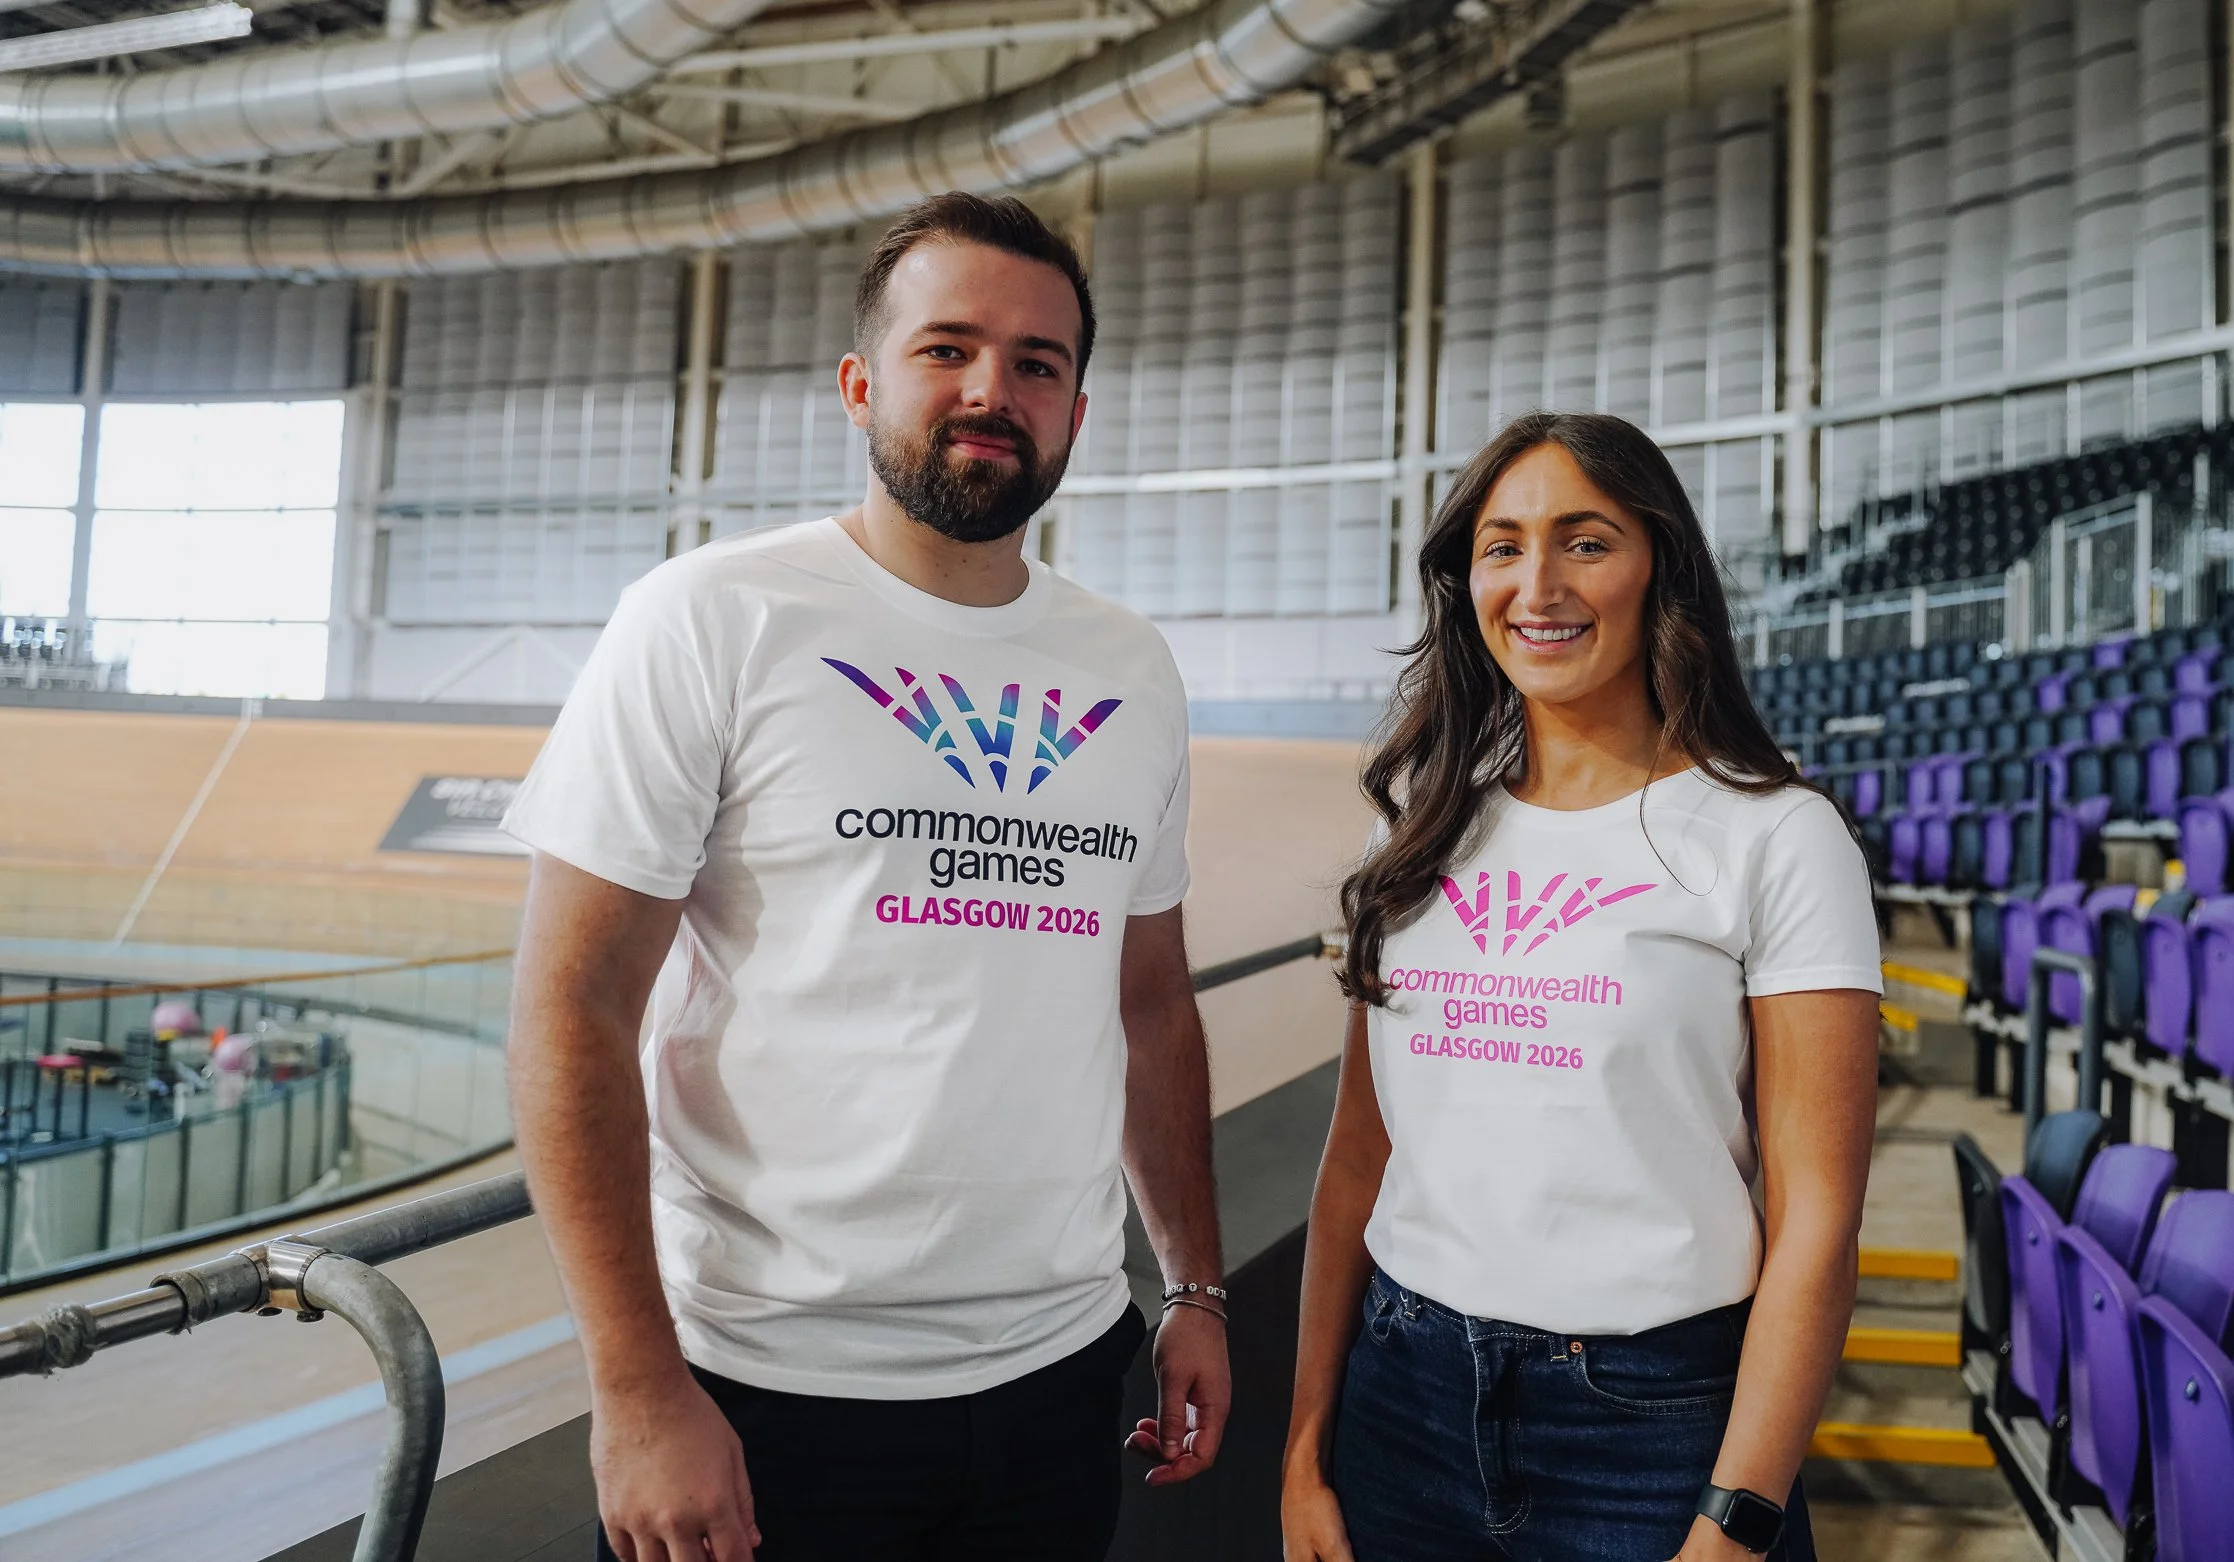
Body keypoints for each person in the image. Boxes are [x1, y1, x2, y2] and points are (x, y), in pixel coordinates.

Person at [500, 192, 1230, 1562]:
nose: (991, 390)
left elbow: (1149, 1002)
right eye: (946, 347)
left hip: (1059, 1379)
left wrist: (1193, 1282)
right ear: (859, 383)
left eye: (1037, 363)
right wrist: (639, 1386)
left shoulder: (1130, 666)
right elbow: (570, 1012)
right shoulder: (714, 618)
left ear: (1076, 408)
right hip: (765, 1390)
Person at [1279, 412, 1880, 1561]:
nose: (1537, 582)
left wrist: (1736, 1517)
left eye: (1585, 540)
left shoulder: (1776, 836)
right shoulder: (1418, 822)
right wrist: (1307, 1447)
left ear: (1660, 563)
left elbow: (1816, 1225)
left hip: (1652, 1428)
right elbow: (1359, 1153)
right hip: (1400, 1404)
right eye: (1501, 545)